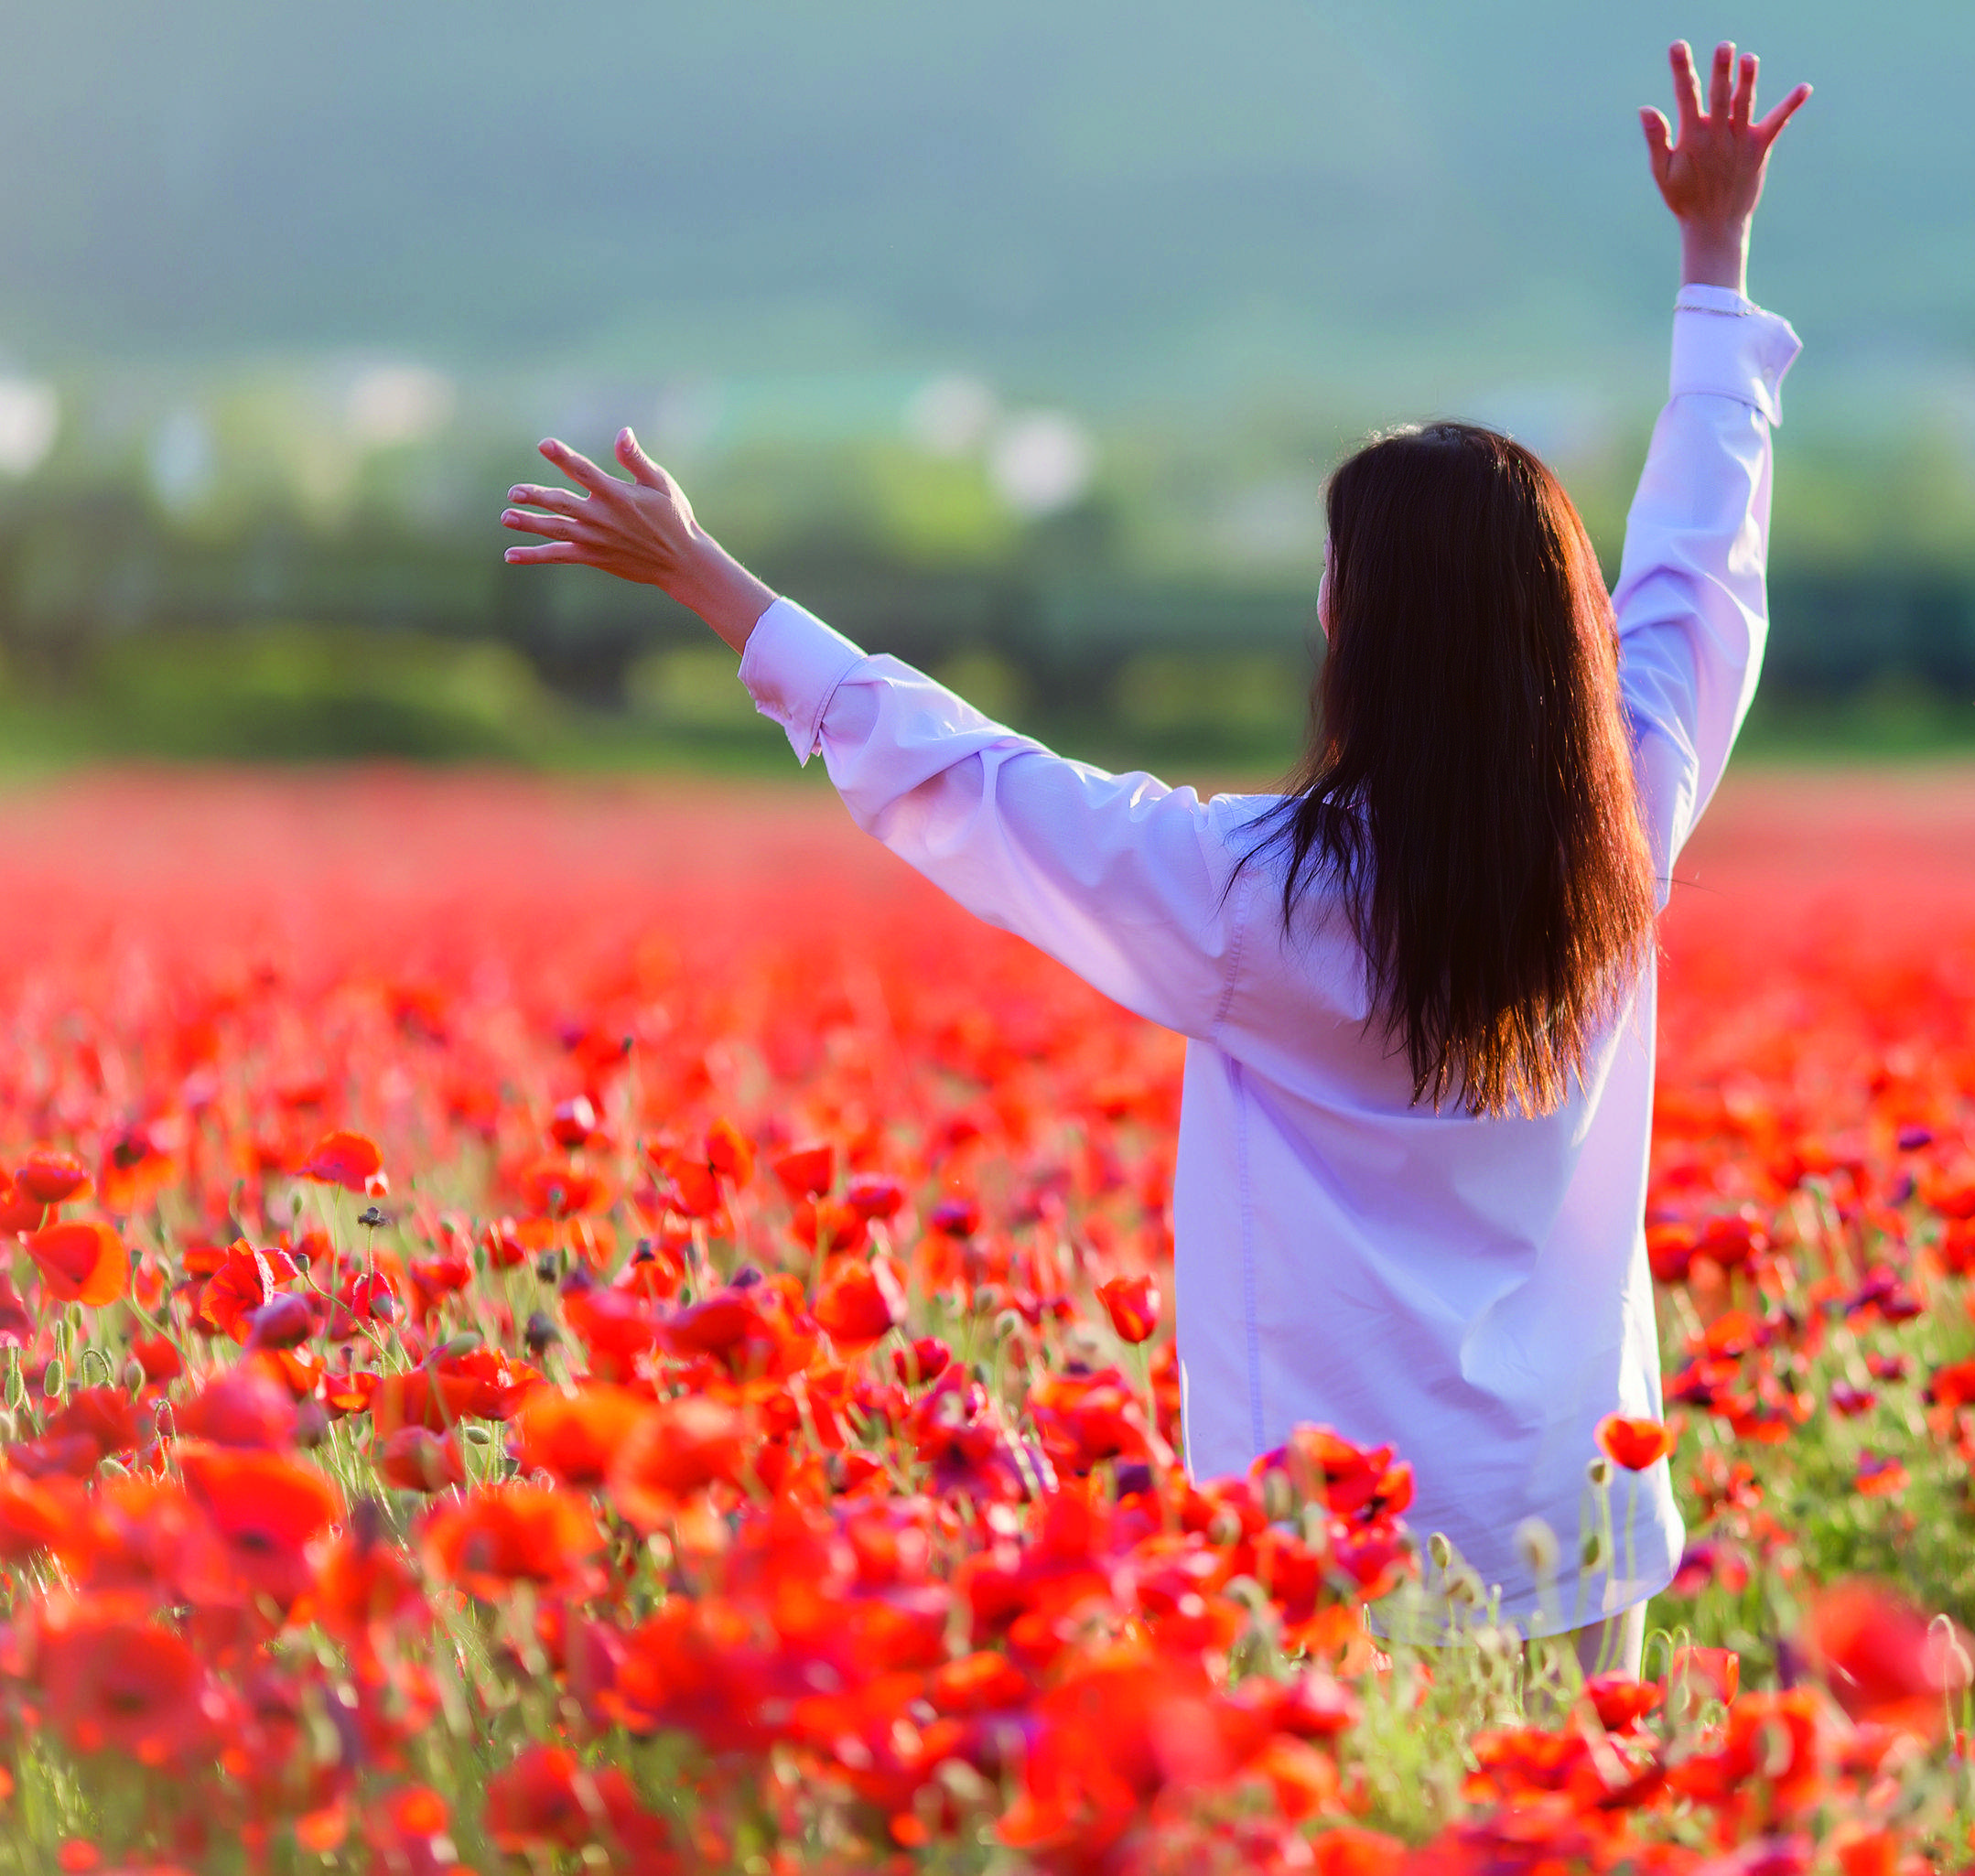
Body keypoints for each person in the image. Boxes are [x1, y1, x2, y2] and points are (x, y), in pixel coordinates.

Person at [502, 39, 1808, 1675]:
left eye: (1337, 577)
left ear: (1363, 630)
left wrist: (710, 581)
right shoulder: (1628, 823)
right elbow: (1699, 573)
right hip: (1573, 1524)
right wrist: (1712, 261)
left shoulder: (1256, 898)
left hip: (1336, 1568)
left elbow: (975, 782)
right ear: (1561, 626)